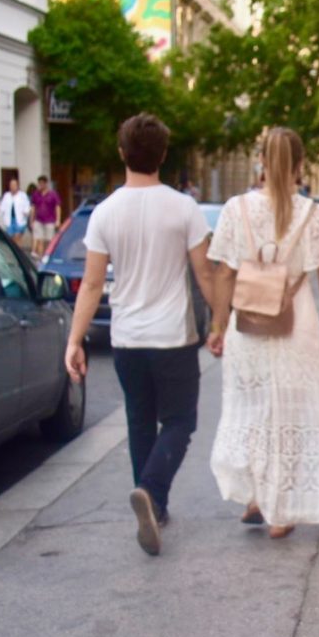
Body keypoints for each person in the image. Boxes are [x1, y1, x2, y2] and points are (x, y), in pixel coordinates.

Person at [64, 113, 214, 557]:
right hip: (172, 336)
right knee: (181, 421)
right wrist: (223, 319)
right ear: (162, 155)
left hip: (127, 338)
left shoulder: (105, 212)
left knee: (139, 421)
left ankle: (155, 506)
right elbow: (203, 270)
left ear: (121, 153)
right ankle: (151, 491)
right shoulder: (183, 207)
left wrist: (74, 341)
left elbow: (92, 284)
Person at [206, 127, 319, 537]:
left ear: (260, 161)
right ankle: (283, 512)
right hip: (297, 321)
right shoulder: (313, 215)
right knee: (291, 409)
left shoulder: (235, 209)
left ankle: (257, 498)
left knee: (254, 408)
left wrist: (218, 324)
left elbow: (224, 274)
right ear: (299, 165)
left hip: (247, 325)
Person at [30, 175, 61, 259]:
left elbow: (57, 207)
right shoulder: (36, 194)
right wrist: (31, 221)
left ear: (46, 184)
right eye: (39, 183)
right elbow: (33, 208)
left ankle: (47, 256)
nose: (40, 185)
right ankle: (40, 257)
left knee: (49, 240)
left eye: (42, 183)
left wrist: (58, 220)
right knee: (39, 239)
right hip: (38, 220)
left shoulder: (53, 194)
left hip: (50, 220)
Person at [0, 177, 31, 247]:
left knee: (17, 237)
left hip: (19, 220)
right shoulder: (7, 195)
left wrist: (26, 212)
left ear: (17, 186)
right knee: (11, 239)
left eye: (14, 185)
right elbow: (3, 206)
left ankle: (19, 252)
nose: (12, 187)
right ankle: (14, 252)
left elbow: (27, 205)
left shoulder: (22, 195)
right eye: (11, 185)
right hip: (10, 220)